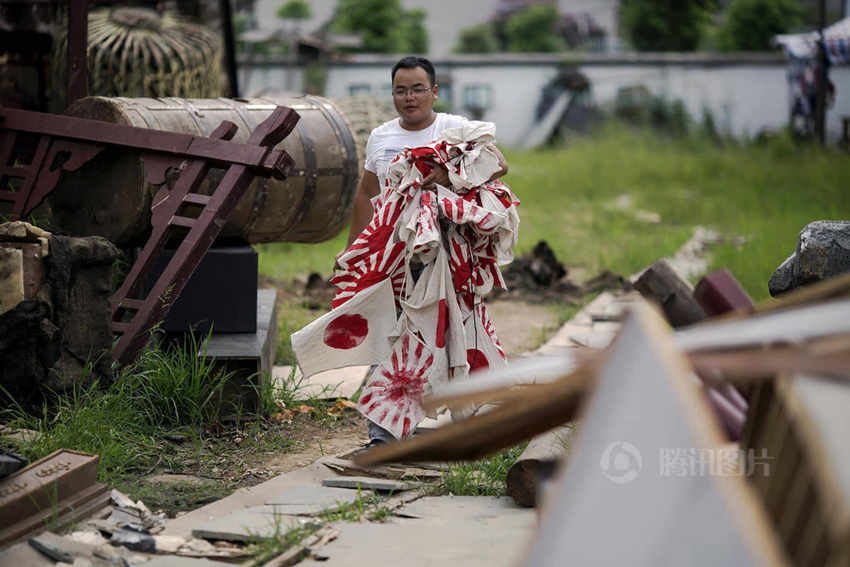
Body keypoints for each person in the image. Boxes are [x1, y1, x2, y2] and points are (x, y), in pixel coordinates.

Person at [341, 56, 510, 446]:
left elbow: (499, 165)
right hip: (394, 256)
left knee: (454, 337)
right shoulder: (382, 138)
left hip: (448, 255)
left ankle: (469, 428)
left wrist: (446, 176)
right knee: (392, 336)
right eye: (401, 89)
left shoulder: (455, 128)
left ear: (434, 92)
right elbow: (367, 195)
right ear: (393, 94)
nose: (409, 97)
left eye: (418, 88)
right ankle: (384, 435)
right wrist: (354, 252)